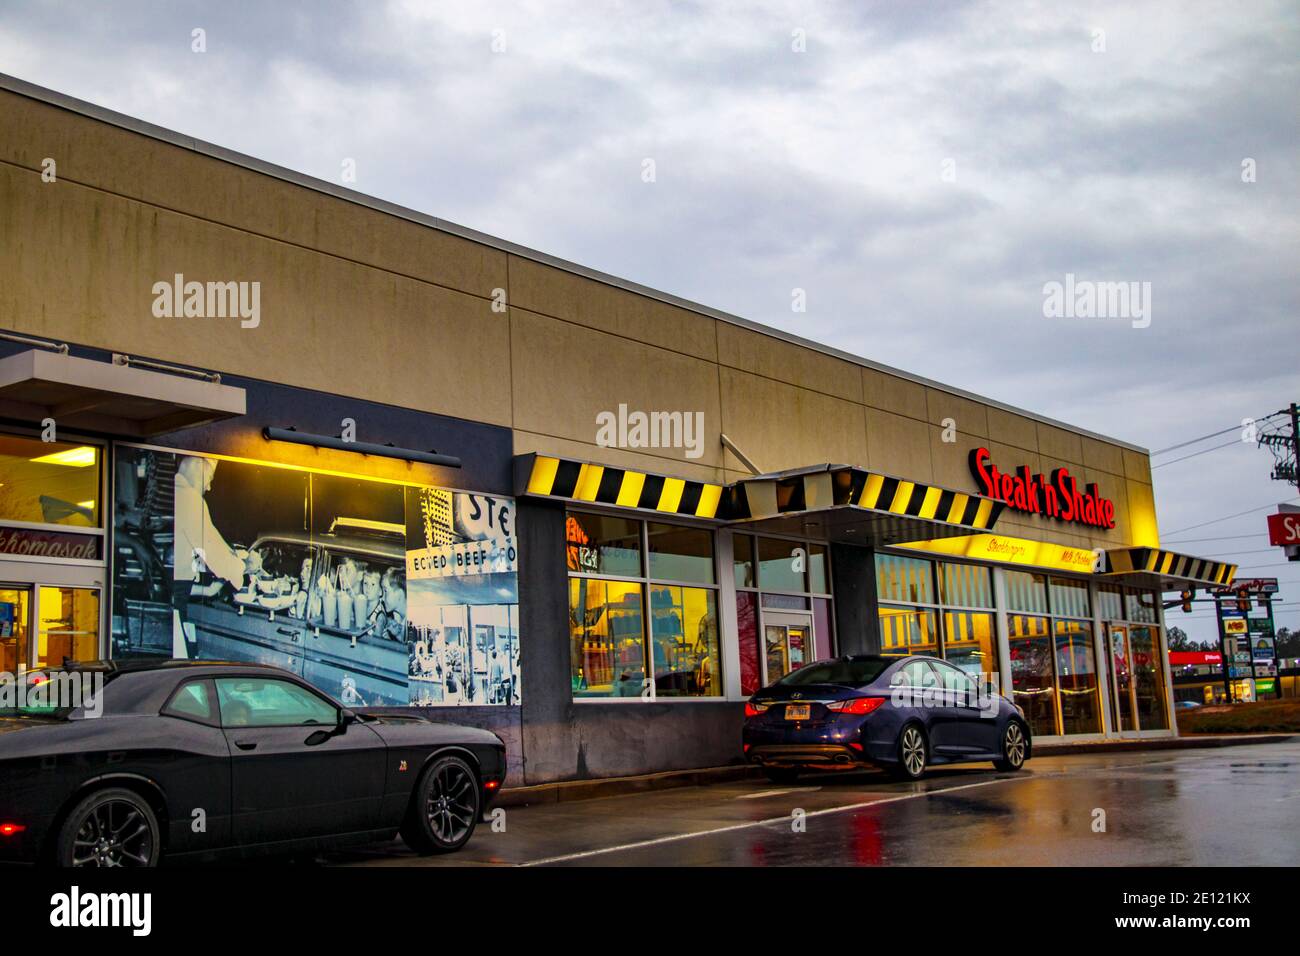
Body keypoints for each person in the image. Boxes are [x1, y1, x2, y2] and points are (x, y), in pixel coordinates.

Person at [172, 457, 253, 659]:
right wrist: (246, 565)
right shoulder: (189, 498)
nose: (208, 487)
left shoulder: (179, 494)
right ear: (199, 467)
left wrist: (231, 559)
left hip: (179, 596)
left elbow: (205, 546)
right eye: (209, 478)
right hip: (175, 603)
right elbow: (213, 551)